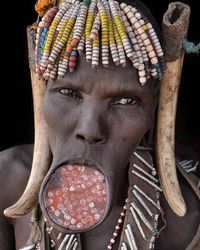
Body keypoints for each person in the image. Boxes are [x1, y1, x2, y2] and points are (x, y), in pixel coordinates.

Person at [0, 0, 199, 249]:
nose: (90, 129)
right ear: (43, 91)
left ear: (154, 103)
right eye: (68, 93)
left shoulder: (189, 220)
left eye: (126, 100)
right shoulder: (6, 180)